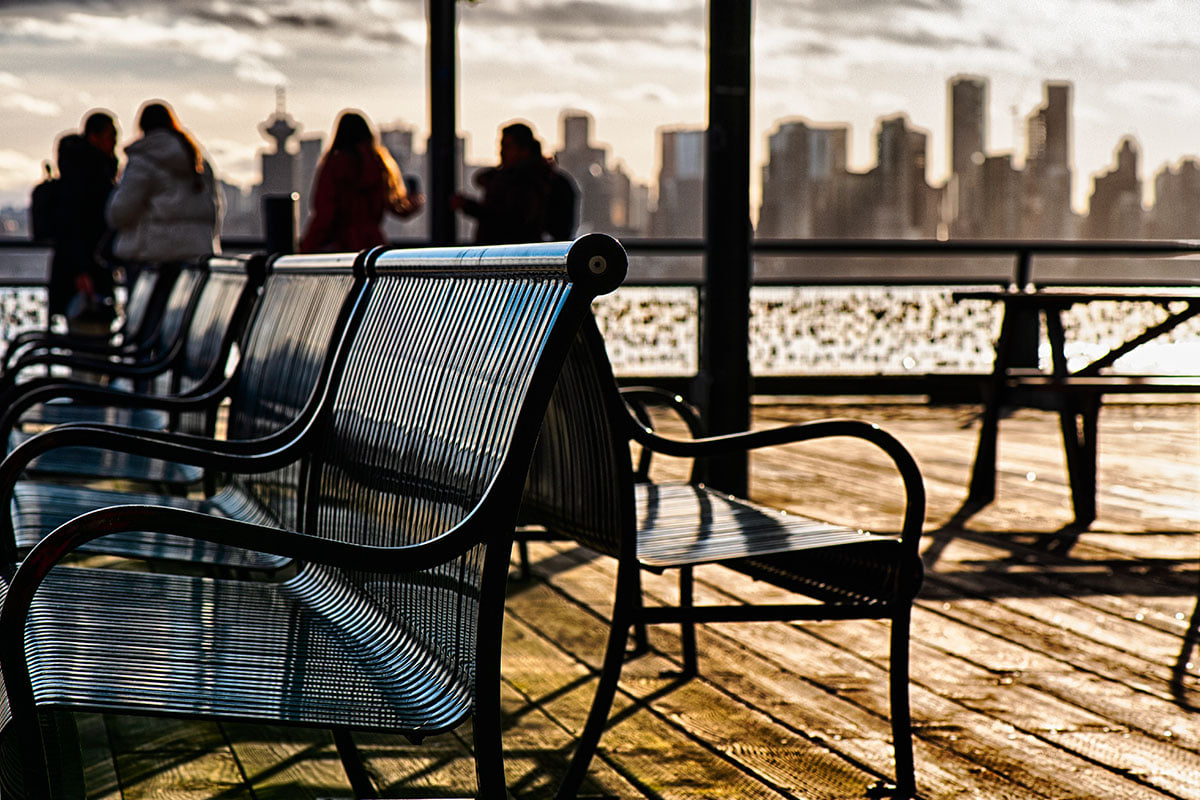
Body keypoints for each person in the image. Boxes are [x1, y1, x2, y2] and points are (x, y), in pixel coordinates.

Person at [106, 100, 222, 271]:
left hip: (151, 256)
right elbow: (213, 207)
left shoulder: (143, 160)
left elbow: (120, 211)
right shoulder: (197, 161)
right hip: (195, 253)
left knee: (149, 298)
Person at [299, 110, 423, 253]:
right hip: (373, 246)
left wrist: (306, 247)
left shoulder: (335, 164)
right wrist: (415, 201)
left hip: (341, 248)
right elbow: (396, 206)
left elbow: (325, 213)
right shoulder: (380, 165)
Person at [47, 110, 119, 337]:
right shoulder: (89, 174)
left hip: (83, 268)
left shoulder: (82, 170)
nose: (114, 141)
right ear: (94, 137)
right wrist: (81, 270)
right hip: (86, 270)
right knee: (90, 337)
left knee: (84, 335)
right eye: (111, 135)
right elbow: (73, 223)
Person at [451, 121, 577, 245]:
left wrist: (469, 206)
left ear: (524, 150)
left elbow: (511, 221)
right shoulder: (548, 179)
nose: (501, 153)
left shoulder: (523, 181)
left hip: (508, 253)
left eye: (507, 147)